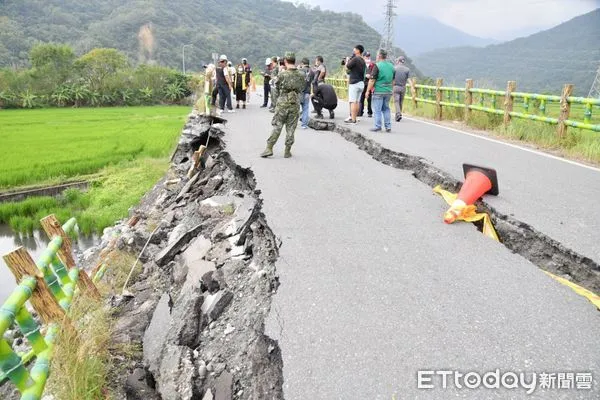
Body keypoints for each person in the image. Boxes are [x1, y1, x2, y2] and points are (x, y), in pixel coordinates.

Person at [260, 52, 306, 159]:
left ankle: (269, 148)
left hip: (282, 103)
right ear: (294, 61)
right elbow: (302, 88)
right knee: (291, 128)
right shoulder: (301, 74)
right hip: (294, 103)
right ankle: (287, 151)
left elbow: (275, 87)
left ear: (285, 61)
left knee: (277, 126)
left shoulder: (282, 74)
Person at [366, 49, 395, 132]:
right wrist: (391, 89)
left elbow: (372, 80)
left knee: (377, 110)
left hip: (378, 90)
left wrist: (368, 91)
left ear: (379, 56)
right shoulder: (391, 66)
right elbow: (393, 80)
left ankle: (377, 126)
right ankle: (388, 126)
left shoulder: (377, 65)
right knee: (386, 109)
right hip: (388, 91)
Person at [344, 44, 366, 124]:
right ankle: (355, 118)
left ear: (358, 50)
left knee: (353, 101)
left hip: (354, 83)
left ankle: (353, 120)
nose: (353, 50)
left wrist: (347, 61)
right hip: (361, 83)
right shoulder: (362, 60)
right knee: (357, 102)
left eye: (355, 49)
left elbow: (347, 67)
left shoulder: (356, 59)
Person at [299, 57, 315, 129]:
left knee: (296, 108)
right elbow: (313, 82)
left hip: (299, 92)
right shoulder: (312, 72)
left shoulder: (299, 71)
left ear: (302, 63)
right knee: (305, 108)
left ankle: (293, 123)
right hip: (307, 92)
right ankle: (304, 125)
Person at [393, 56, 410, 121]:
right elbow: (409, 79)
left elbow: (392, 78)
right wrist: (412, 88)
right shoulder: (407, 69)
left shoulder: (394, 68)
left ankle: (398, 114)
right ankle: (398, 114)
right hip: (403, 87)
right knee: (400, 101)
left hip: (395, 87)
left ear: (398, 61)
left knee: (396, 101)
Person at [358, 51, 374, 118]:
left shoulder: (372, 64)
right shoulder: (361, 63)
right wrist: (365, 75)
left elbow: (374, 73)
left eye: (368, 56)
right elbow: (359, 73)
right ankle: (360, 112)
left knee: (369, 98)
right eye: (366, 56)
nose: (367, 57)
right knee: (361, 97)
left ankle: (369, 112)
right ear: (363, 56)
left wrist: (371, 76)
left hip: (369, 82)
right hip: (362, 82)